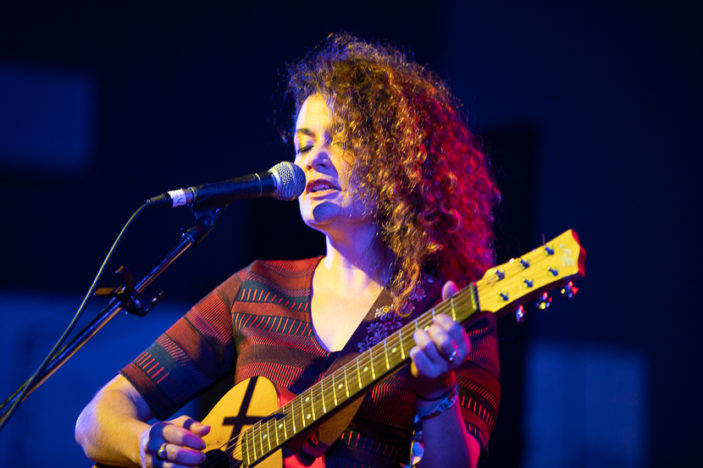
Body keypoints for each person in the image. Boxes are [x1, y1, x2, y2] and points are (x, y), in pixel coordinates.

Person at [75, 33, 501, 468]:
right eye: (304, 145)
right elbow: (95, 419)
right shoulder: (256, 287)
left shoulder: (452, 315)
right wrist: (146, 445)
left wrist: (436, 390)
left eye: (341, 139)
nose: (313, 159)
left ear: (398, 160)